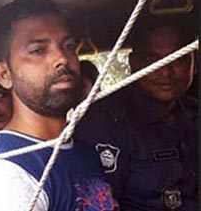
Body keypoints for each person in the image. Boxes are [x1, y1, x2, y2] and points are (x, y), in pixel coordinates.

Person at [0, 0, 117, 211]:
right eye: (38, 50)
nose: (62, 58)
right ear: (4, 74)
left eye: (68, 46)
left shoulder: (82, 152)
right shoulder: (3, 179)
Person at [76, 21, 198, 211]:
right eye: (152, 59)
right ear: (133, 63)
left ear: (194, 64)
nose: (166, 72)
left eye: (179, 59)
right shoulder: (104, 122)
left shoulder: (194, 113)